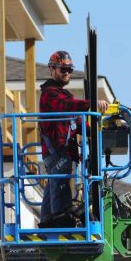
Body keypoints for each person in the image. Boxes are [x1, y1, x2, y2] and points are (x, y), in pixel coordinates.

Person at [39, 50, 108, 226]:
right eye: (63, 69)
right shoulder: (50, 94)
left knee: (54, 187)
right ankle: (59, 225)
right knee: (60, 190)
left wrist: (97, 131)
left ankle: (46, 223)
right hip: (57, 151)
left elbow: (76, 121)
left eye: (69, 70)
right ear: (52, 69)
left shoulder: (62, 94)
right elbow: (66, 107)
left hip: (62, 152)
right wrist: (91, 103)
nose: (67, 73)